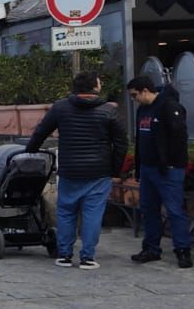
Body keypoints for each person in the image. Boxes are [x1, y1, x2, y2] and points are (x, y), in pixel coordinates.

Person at [24, 69, 127, 269]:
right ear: (95, 87)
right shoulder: (108, 110)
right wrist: (115, 170)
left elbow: (40, 132)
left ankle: (65, 254)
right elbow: (121, 143)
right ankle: (87, 257)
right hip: (99, 171)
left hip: (70, 169)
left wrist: (30, 151)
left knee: (66, 211)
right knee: (92, 213)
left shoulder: (60, 108)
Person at [126, 76, 193, 268]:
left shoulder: (169, 107)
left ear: (145, 90)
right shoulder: (143, 110)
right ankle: (151, 248)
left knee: (174, 210)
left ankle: (182, 250)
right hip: (148, 168)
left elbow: (179, 136)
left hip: (168, 168)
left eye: (135, 95)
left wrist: (171, 162)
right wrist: (138, 168)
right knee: (148, 208)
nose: (134, 99)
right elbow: (141, 140)